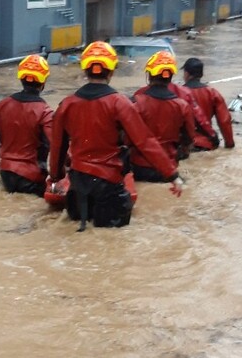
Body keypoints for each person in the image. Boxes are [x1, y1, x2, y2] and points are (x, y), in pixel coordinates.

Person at [49, 41, 183, 231]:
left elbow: (57, 147)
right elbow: (144, 142)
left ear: (84, 71)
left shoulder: (67, 105)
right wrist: (172, 174)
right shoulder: (120, 103)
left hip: (78, 186)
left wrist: (55, 177)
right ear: (111, 72)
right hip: (109, 186)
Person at [0, 54, 53, 196]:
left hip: (6, 175)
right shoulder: (45, 112)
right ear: (43, 82)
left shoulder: (0, 107)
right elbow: (57, 145)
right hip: (33, 177)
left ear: (21, 79)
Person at [130, 50, 197, 182]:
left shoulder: (136, 101)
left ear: (149, 75)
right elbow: (189, 138)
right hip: (168, 169)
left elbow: (125, 137)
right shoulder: (182, 106)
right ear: (170, 77)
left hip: (138, 168)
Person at [173, 57, 235, 151]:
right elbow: (224, 121)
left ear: (186, 74)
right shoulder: (213, 93)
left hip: (184, 146)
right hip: (207, 144)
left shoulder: (177, 94)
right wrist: (229, 144)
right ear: (201, 74)